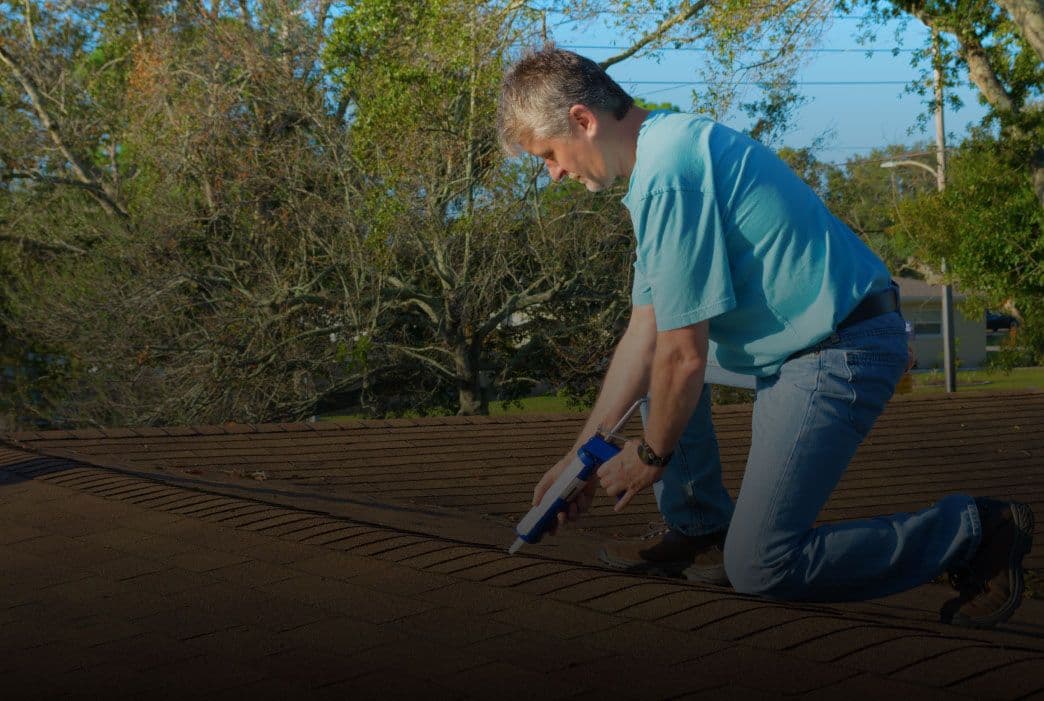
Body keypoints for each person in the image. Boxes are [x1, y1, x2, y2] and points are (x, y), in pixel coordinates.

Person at [496, 47, 1034, 628]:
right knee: (655, 371)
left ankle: (974, 531)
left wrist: (651, 455)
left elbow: (683, 356)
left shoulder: (669, 175)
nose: (553, 174)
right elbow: (645, 336)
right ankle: (701, 530)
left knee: (761, 565)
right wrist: (578, 461)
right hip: (803, 337)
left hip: (837, 349)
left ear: (582, 120)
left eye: (548, 155)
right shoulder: (663, 156)